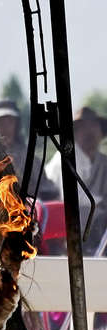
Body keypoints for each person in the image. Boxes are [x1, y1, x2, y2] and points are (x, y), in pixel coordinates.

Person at [45, 106, 107, 255]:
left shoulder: (103, 162)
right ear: (74, 132)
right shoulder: (63, 162)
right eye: (82, 127)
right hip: (65, 239)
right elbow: (70, 202)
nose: (89, 131)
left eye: (93, 125)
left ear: (101, 131)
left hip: (98, 238)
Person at [0, 98, 58, 200]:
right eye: (0, 122)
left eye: (10, 121)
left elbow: (47, 191)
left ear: (17, 124)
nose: (5, 127)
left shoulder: (30, 159)